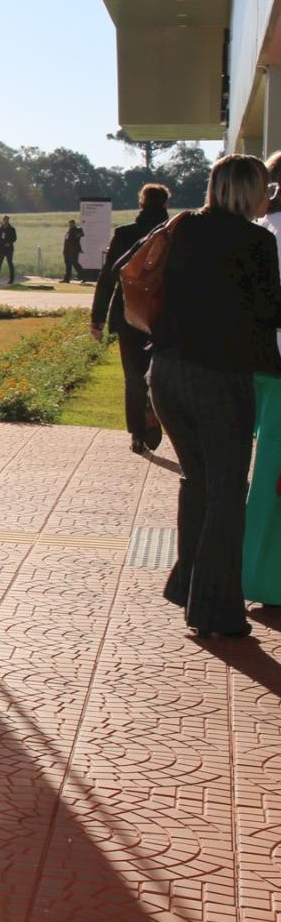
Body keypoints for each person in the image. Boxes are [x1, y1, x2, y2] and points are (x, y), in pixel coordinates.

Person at [145, 154, 281, 639]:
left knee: (198, 480)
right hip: (219, 379)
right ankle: (215, 608)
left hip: (165, 372)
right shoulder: (256, 241)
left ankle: (189, 584)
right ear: (249, 191)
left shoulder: (184, 229)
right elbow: (268, 313)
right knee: (227, 492)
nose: (271, 194)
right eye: (265, 186)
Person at [91, 184, 172, 453]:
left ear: (141, 204)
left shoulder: (125, 234)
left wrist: (97, 318)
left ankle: (137, 432)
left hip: (127, 314)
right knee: (162, 374)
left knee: (133, 376)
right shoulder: (173, 233)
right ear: (165, 204)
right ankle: (155, 413)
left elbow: (108, 278)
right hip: (163, 315)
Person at [247, 155, 281, 609]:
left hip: (267, 369)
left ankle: (262, 574)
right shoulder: (269, 234)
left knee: (269, 473)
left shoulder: (264, 234)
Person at [0, 215, 18, 285]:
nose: (5, 221)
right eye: (4, 220)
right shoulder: (1, 229)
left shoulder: (12, 229)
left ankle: (11, 279)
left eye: (6, 220)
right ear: (3, 220)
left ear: (8, 220)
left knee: (10, 264)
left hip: (9, 250)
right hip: (1, 249)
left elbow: (14, 238)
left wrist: (9, 243)